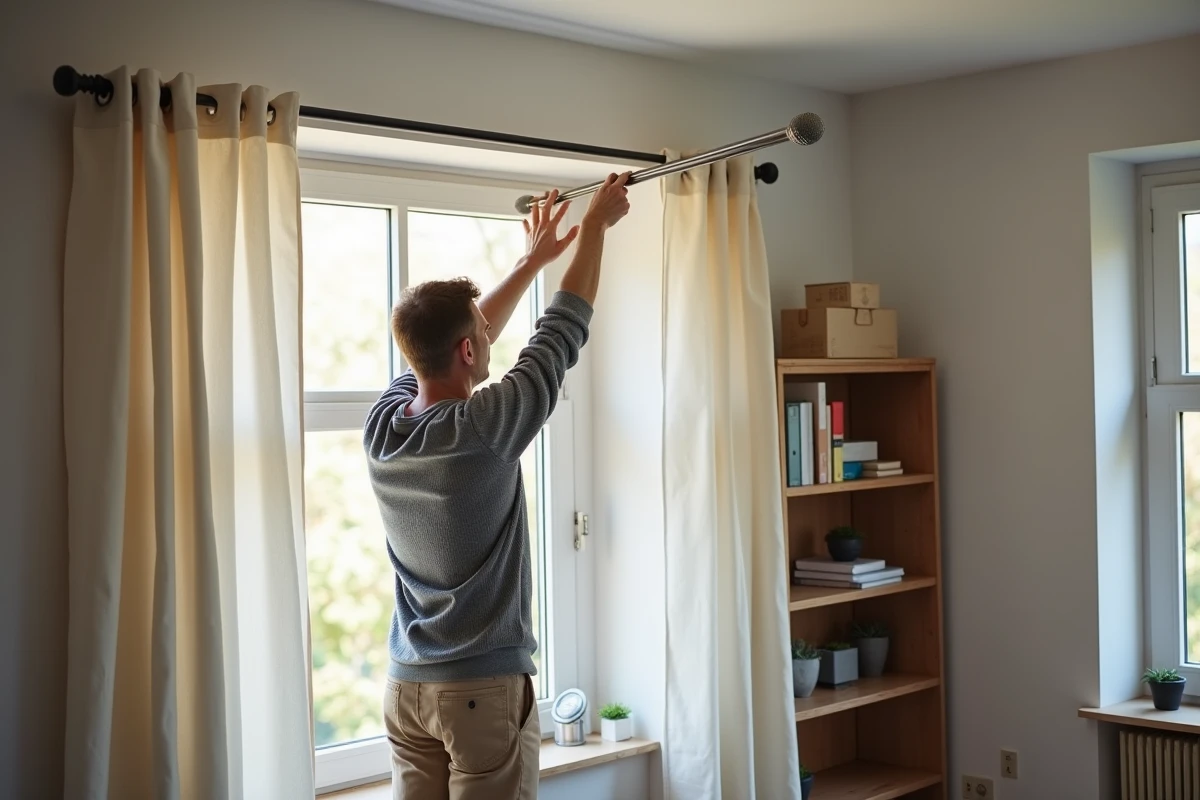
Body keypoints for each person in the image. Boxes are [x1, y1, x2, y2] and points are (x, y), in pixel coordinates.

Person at [362, 172, 632, 799]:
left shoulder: (385, 424)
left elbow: (464, 333)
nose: (489, 339)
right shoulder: (484, 427)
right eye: (481, 339)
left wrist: (533, 261)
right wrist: (592, 230)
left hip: (406, 690)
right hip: (478, 691)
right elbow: (561, 329)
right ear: (467, 351)